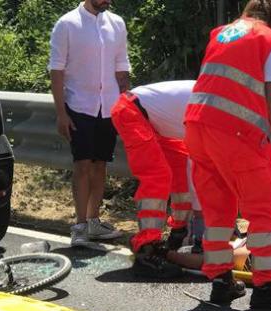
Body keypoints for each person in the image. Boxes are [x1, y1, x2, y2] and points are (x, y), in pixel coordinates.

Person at [184, 0, 271, 309]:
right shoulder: (270, 40)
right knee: (263, 210)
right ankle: (267, 286)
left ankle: (221, 281)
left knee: (216, 209)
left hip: (197, 125)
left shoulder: (222, 33)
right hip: (236, 133)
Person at [49, 0, 129, 246]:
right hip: (79, 106)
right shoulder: (67, 24)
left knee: (100, 165)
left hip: (109, 107)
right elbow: (56, 71)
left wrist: (126, 104)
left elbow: (122, 67)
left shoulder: (117, 23)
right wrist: (61, 113)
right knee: (82, 165)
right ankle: (80, 226)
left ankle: (95, 222)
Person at [110, 80, 196, 278]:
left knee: (182, 169)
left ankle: (178, 234)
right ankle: (146, 247)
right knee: (158, 175)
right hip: (132, 111)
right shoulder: (216, 103)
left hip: (154, 119)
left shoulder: (219, 97)